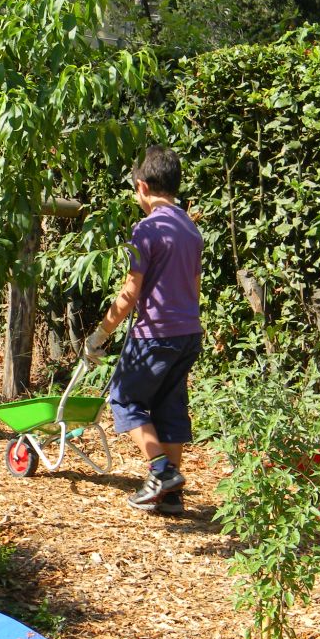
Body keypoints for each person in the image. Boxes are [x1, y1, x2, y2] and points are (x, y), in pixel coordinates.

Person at [84, 145, 203, 515]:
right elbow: (194, 288)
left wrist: (100, 334)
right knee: (169, 406)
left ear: (142, 187)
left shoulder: (146, 229)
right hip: (188, 334)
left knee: (124, 397)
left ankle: (162, 471)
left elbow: (130, 291)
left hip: (156, 335)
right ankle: (172, 497)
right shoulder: (191, 229)